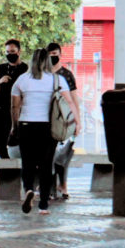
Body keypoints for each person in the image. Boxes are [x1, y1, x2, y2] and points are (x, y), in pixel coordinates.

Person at [11, 48, 80, 214]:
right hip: (48, 127)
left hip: (26, 125)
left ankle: (28, 189)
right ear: (48, 62)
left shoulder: (22, 80)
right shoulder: (57, 80)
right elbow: (69, 103)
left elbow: (15, 106)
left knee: (27, 162)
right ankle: (43, 204)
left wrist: (15, 125)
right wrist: (76, 123)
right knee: (46, 164)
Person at [47, 42, 78, 199]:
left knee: (64, 156)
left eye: (55, 54)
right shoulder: (44, 74)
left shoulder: (67, 74)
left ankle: (63, 184)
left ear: (60, 54)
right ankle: (52, 188)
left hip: (64, 120)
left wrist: (77, 122)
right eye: (50, 54)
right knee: (50, 155)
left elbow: (74, 99)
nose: (52, 57)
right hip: (48, 121)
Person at [0, 39, 28, 158]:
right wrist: (0, 81)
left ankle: (13, 169)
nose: (10, 55)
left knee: (16, 142)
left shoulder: (25, 69)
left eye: (12, 51)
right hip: (1, 111)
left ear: (19, 51)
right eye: (7, 52)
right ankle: (7, 166)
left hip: (18, 112)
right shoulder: (1, 68)